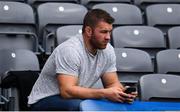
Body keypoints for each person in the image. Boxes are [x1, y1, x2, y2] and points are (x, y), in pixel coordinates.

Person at [28, 9, 137, 111]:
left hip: (76, 98)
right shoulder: (70, 50)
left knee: (118, 104)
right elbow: (67, 91)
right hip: (45, 100)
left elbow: (112, 83)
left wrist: (122, 93)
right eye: (103, 32)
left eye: (109, 32)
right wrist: (104, 93)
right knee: (80, 106)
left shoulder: (108, 50)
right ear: (89, 31)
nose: (108, 37)